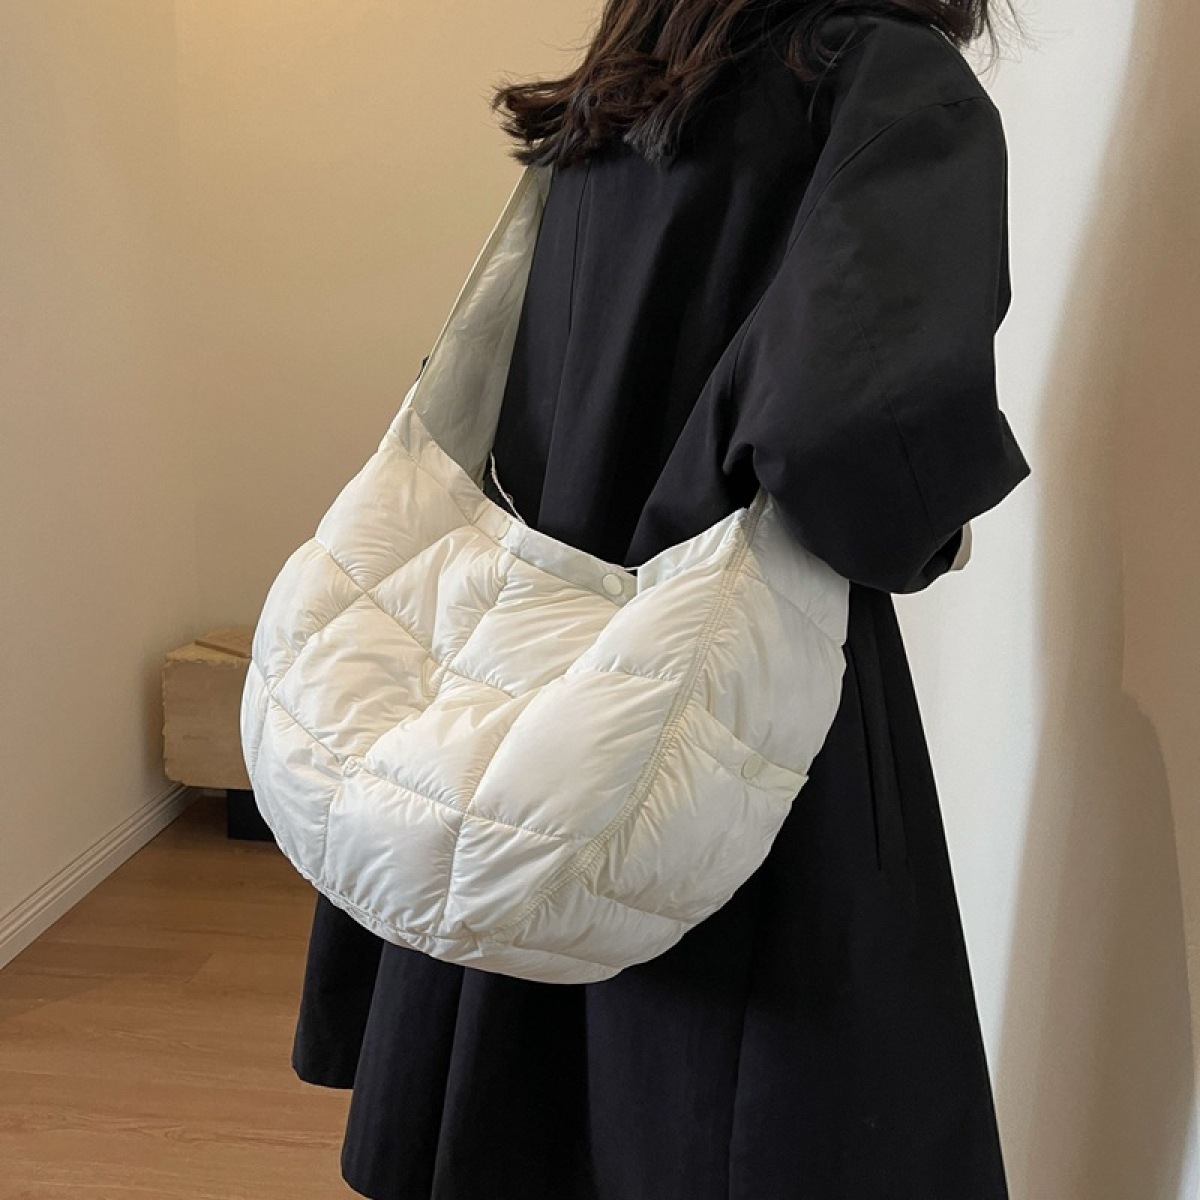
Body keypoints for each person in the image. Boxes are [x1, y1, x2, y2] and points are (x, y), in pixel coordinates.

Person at [291, 2, 1031, 1197]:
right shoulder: (879, 85)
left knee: (518, 1107)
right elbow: (851, 433)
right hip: (731, 688)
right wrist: (926, 531)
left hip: (528, 687)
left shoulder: (628, 85)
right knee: (730, 1115)